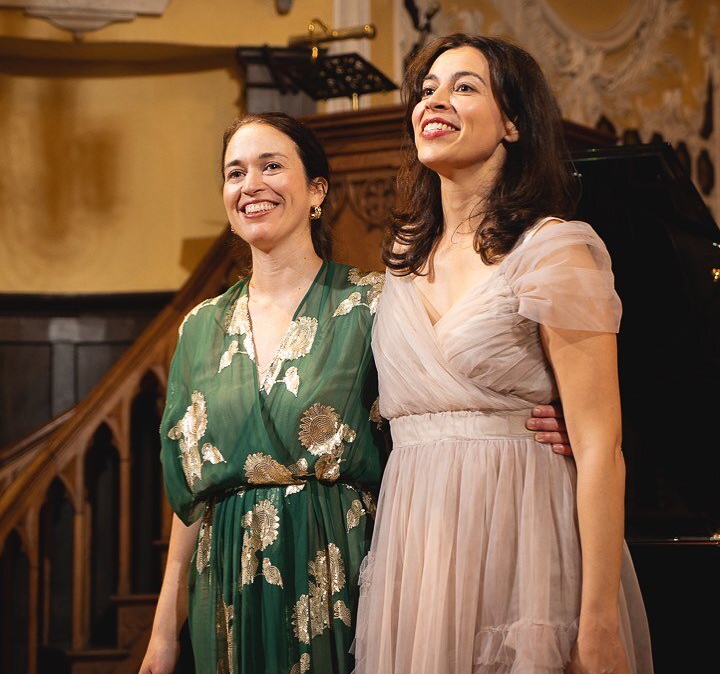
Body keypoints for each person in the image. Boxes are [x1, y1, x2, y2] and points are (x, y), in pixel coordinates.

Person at [139, 112, 573, 674]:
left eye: (272, 166)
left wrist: (536, 421)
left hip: (340, 567)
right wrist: (161, 632)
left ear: (317, 190)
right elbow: (191, 492)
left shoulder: (372, 303)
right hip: (224, 579)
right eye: (235, 172)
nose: (251, 185)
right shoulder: (199, 326)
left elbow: (449, 396)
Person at [352, 35, 653, 674]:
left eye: (465, 86)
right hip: (420, 544)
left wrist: (597, 621)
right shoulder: (402, 259)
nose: (435, 99)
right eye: (427, 87)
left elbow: (601, 444)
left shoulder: (553, 250)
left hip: (523, 535)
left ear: (513, 122)